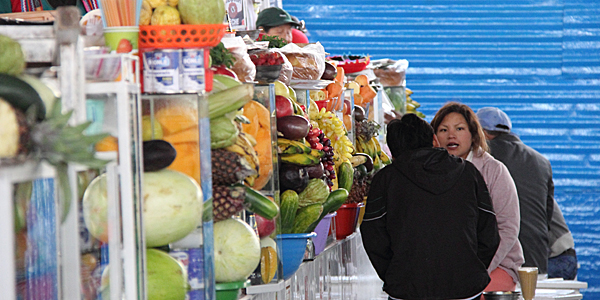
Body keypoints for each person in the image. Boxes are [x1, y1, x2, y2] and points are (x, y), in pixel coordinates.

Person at [361, 113, 500, 300]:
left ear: (393, 153)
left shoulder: (385, 179)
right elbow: (489, 233)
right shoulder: (468, 173)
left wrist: (397, 275)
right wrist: (469, 269)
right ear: (434, 140)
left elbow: (373, 236)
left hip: (407, 290)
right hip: (465, 289)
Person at [430, 102, 524, 291]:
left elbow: (508, 228)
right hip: (444, 269)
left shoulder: (494, 171)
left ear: (473, 134)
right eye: (443, 129)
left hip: (496, 265)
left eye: (459, 128)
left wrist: (478, 270)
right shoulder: (429, 171)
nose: (451, 135)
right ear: (434, 138)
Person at [476, 107, 576, 279]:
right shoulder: (541, 161)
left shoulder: (484, 160)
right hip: (541, 261)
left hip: (504, 265)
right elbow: (547, 215)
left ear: (483, 133)